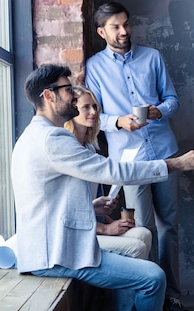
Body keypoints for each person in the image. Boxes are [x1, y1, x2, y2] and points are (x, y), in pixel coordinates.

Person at [12, 64, 194, 311]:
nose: (74, 98)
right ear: (48, 95)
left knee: (133, 253)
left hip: (53, 246)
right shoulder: (53, 139)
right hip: (56, 254)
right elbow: (111, 169)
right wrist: (173, 165)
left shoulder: (37, 135)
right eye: (68, 90)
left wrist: (91, 208)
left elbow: (46, 200)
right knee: (153, 277)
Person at [85, 2, 190, 311]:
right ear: (102, 32)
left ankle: (171, 294)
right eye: (116, 27)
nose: (124, 31)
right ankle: (149, 298)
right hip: (127, 162)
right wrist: (119, 122)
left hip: (164, 150)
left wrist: (161, 110)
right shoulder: (94, 67)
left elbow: (173, 99)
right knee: (140, 229)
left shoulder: (152, 58)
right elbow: (94, 115)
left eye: (126, 24)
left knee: (169, 225)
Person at [64, 86, 152, 260]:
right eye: (86, 107)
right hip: (75, 235)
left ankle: (128, 285)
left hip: (92, 225)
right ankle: (133, 284)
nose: (93, 112)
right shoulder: (68, 150)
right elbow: (67, 209)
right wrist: (105, 229)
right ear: (73, 111)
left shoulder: (89, 148)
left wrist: (111, 221)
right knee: (136, 247)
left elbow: (88, 203)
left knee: (143, 233)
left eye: (95, 106)